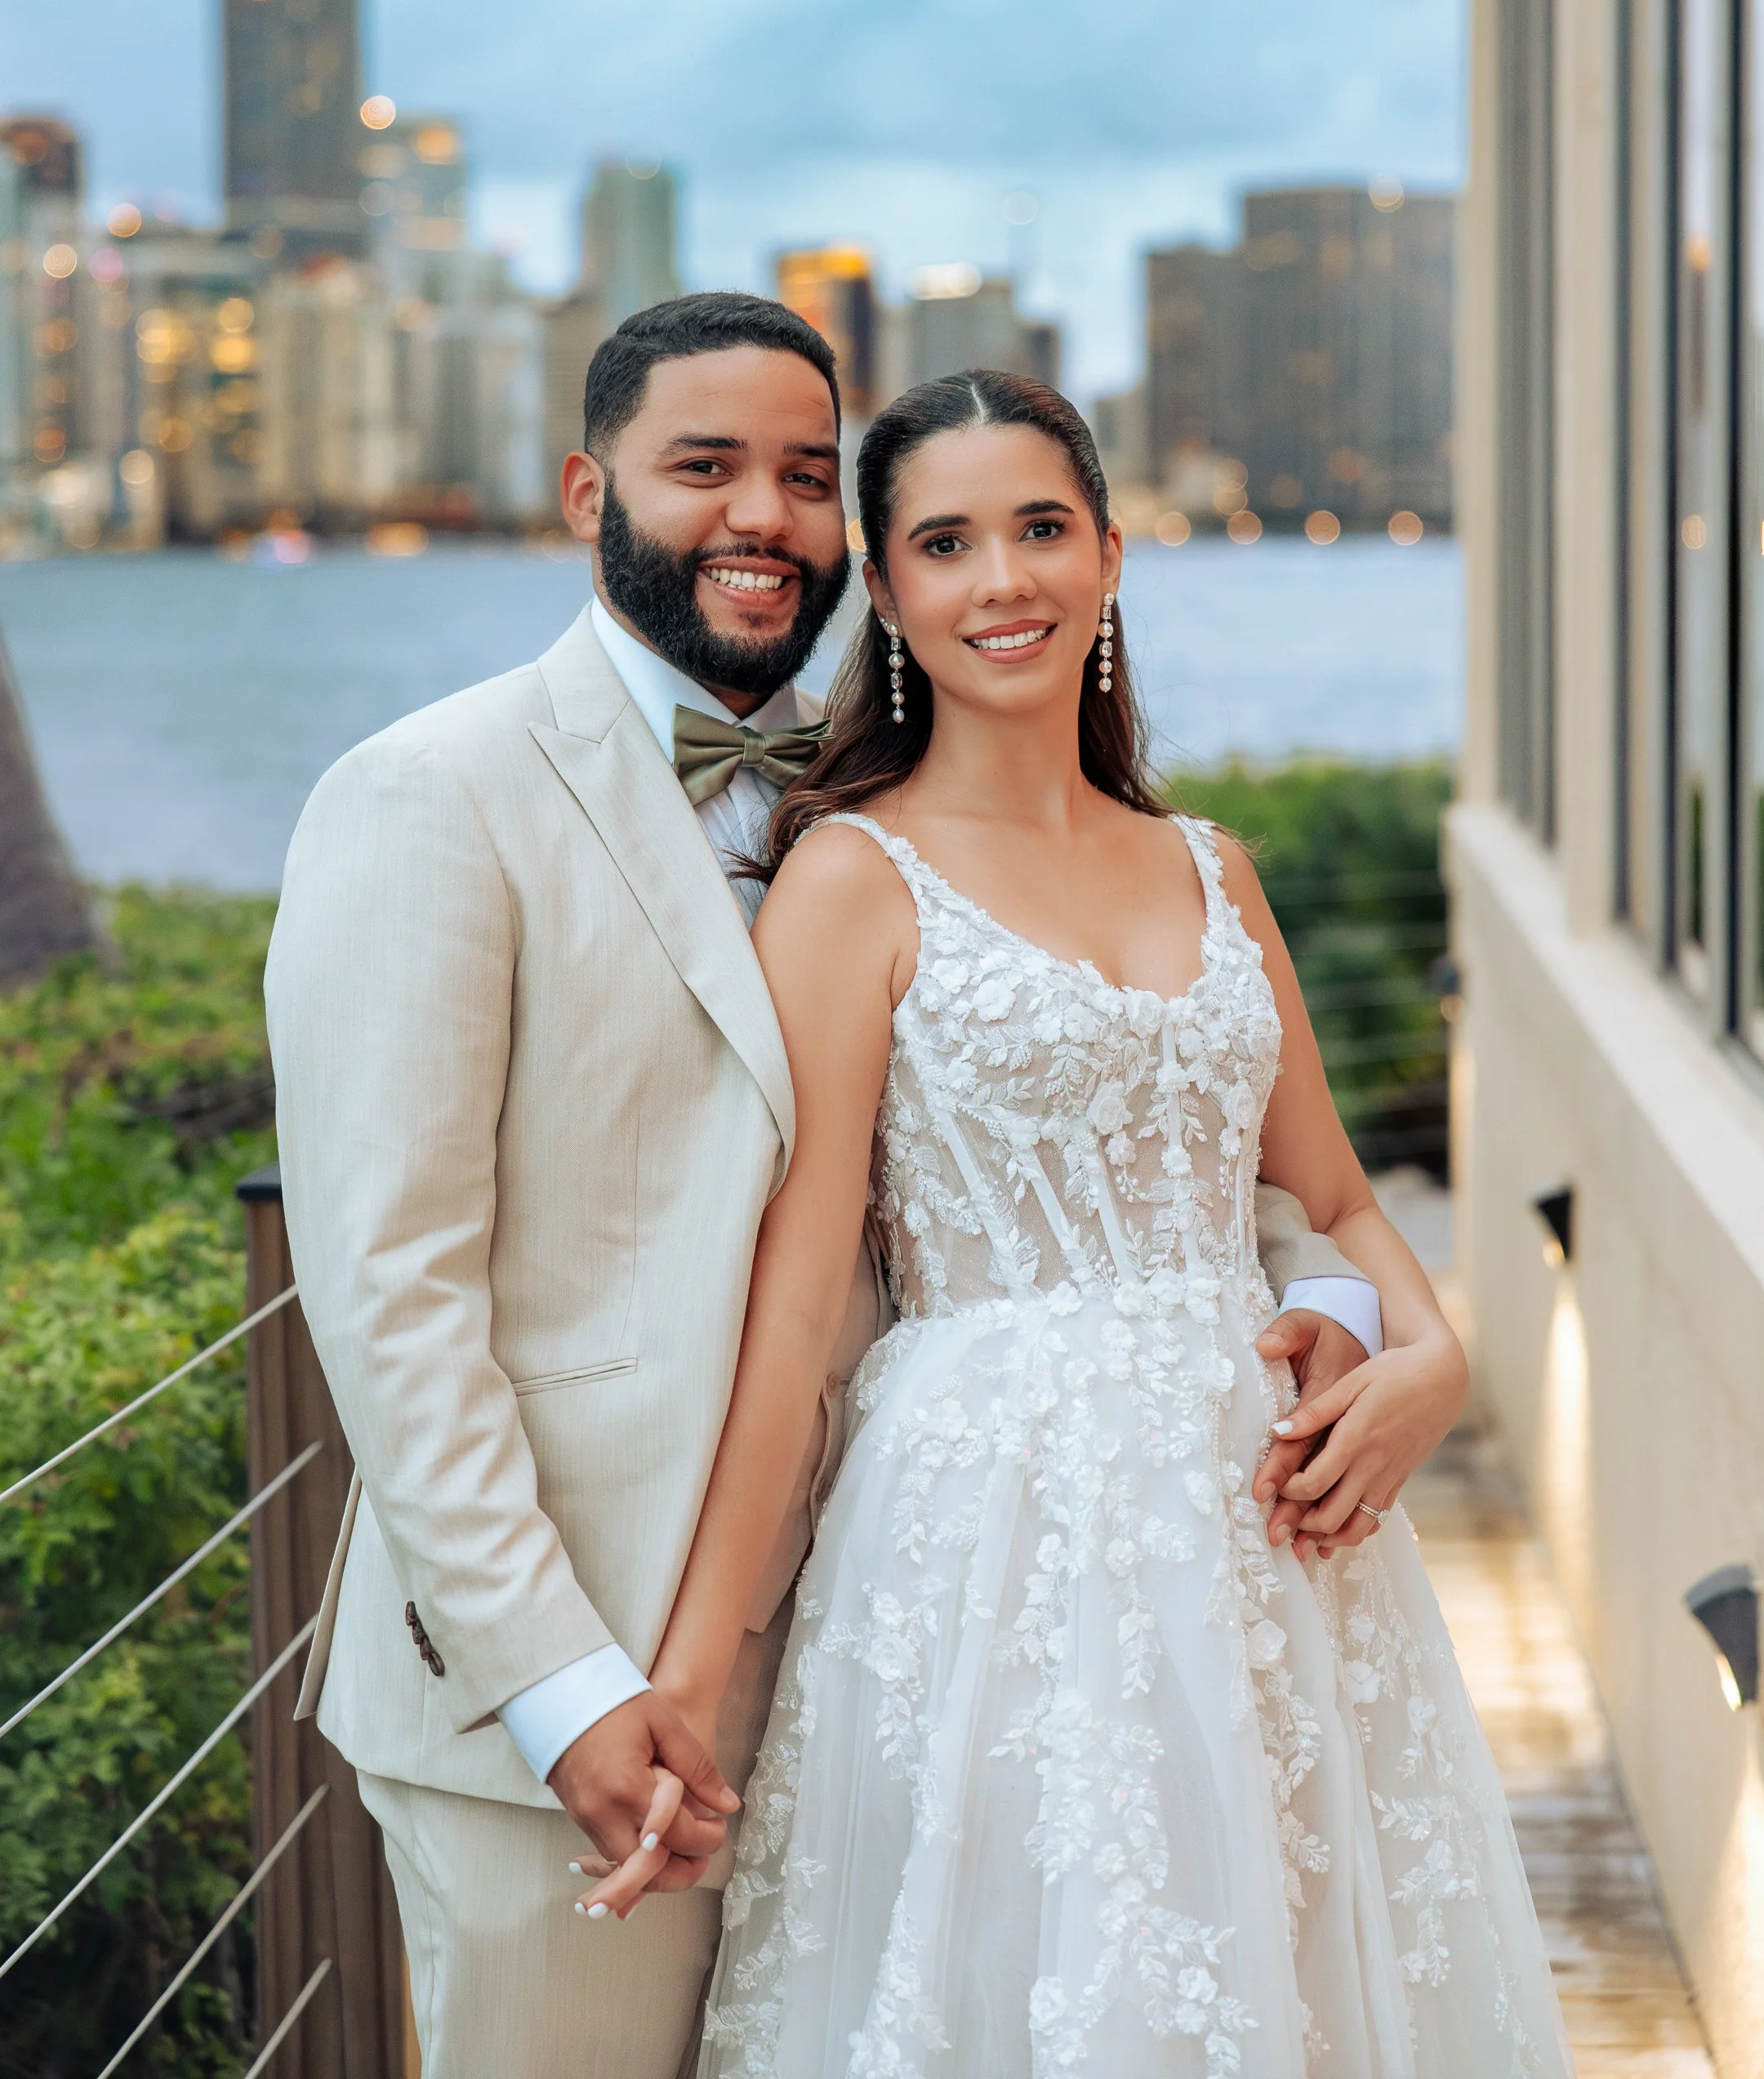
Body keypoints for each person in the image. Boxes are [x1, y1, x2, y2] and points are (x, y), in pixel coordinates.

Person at [264, 301, 1378, 2079]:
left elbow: (1123, 1128)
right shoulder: (430, 796)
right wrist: (564, 1682)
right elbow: (391, 1299)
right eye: (702, 467)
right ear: (587, 493)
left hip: (929, 1639)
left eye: (801, 475)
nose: (760, 517)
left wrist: (1350, 1305)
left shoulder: (872, 810)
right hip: (586, 1682)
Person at [588, 370, 1570, 2078]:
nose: (1004, 580)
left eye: (1042, 528)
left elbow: (1332, 1198)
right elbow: (794, 1313)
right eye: (947, 543)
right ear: (885, 590)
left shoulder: (1213, 868)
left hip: (1273, 1544)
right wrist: (682, 1676)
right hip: (995, 1548)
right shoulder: (850, 880)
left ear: (1111, 554)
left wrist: (1435, 1359)